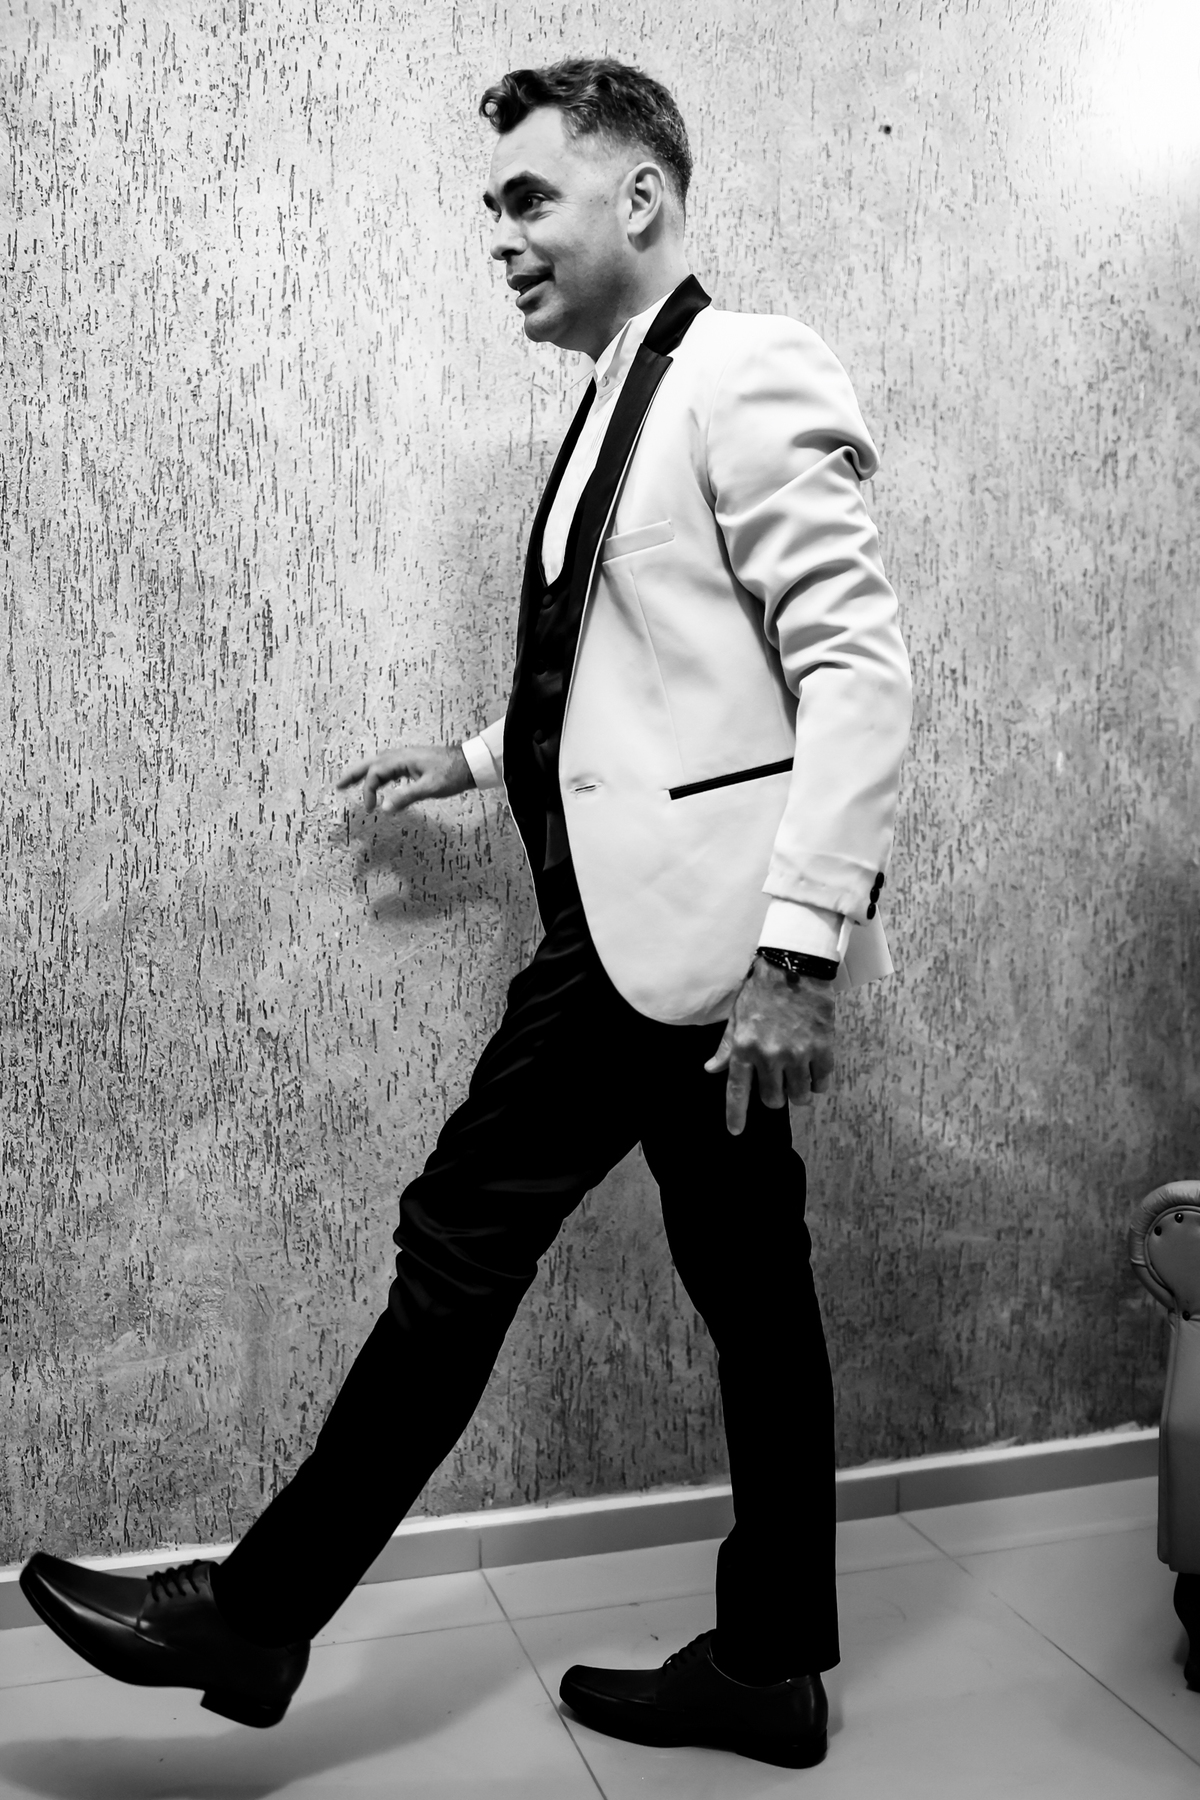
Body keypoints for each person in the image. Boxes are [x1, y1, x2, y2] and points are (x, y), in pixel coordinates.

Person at [20, 57, 912, 1772]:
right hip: (667, 935)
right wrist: (479, 754)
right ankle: (769, 1665)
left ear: (639, 196)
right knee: (754, 1289)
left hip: (693, 950)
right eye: (490, 207)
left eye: (526, 199)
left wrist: (799, 952)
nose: (496, 238)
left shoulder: (746, 366)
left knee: (460, 1242)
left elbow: (856, 670)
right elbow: (653, 670)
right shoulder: (617, 396)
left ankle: (257, 1614)